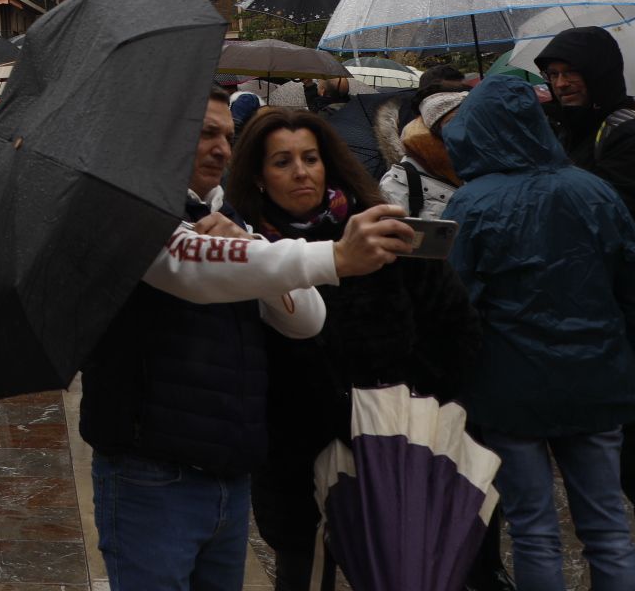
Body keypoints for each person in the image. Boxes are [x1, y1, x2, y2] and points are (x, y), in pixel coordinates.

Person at [79, 87, 416, 590]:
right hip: (151, 474)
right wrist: (335, 258)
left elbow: (305, 319)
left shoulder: (227, 216)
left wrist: (250, 246)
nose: (221, 148)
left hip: (227, 472)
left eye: (229, 137)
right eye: (205, 133)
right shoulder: (127, 207)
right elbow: (185, 266)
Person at [227, 107, 479, 590]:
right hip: (296, 459)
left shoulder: (384, 233)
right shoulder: (251, 254)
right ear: (258, 178)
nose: (301, 171)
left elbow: (456, 329)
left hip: (392, 447)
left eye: (310, 158)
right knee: (304, 571)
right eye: (282, 162)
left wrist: (414, 400)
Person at [443, 74, 635, 590]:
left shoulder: (471, 204)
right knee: (608, 528)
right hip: (597, 378)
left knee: (533, 530)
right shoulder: (594, 191)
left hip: (509, 390)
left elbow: (454, 306)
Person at [534, 26, 635, 591]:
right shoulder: (565, 131)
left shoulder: (631, 135)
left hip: (629, 312)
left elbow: (608, 222)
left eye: (569, 75)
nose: (560, 85)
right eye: (553, 77)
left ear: (600, 74)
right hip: (588, 312)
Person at [378, 89, 469, 219]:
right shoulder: (398, 183)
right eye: (452, 122)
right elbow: (389, 235)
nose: (463, 129)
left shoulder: (476, 169)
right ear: (433, 131)